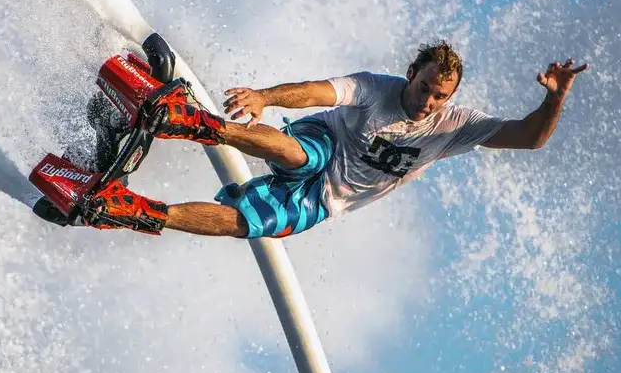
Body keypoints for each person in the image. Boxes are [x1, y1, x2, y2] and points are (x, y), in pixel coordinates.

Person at [44, 40, 588, 238]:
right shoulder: (379, 89)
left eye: (439, 96)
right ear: (412, 74)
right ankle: (183, 120)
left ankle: (123, 208)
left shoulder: (452, 126)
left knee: (249, 225)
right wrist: (265, 97)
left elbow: (530, 138)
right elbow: (319, 92)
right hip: (320, 146)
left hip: (327, 200)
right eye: (424, 88)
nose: (428, 102)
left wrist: (555, 96)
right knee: (300, 154)